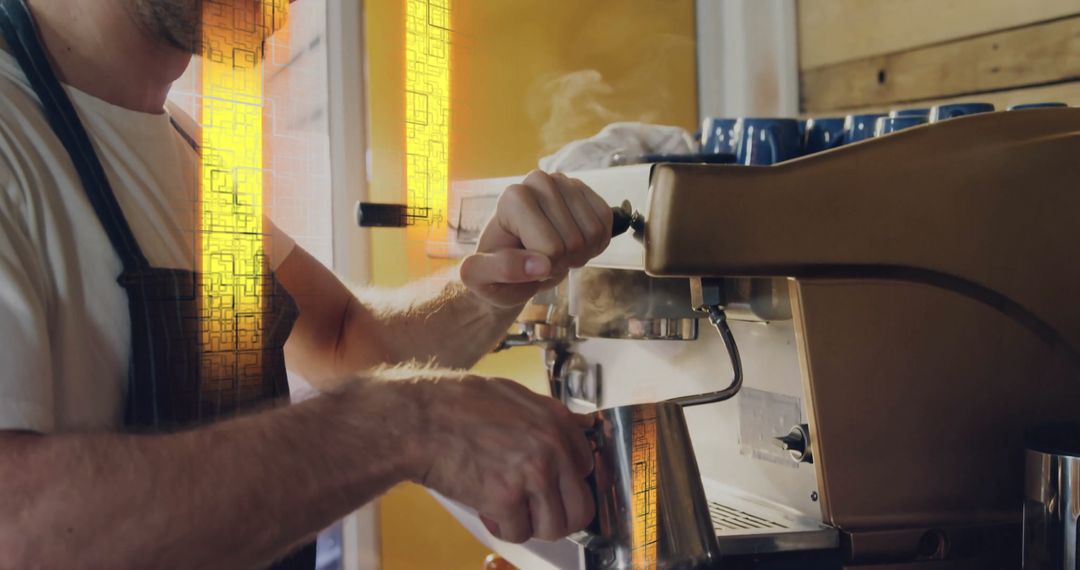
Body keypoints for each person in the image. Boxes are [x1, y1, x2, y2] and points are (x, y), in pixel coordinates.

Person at [0, 0, 612, 567]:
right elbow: (16, 525)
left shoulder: (181, 143)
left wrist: (494, 282)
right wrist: (406, 422)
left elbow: (346, 342)